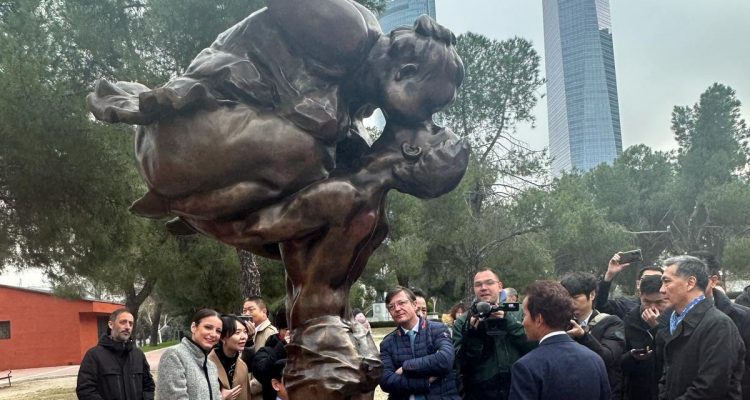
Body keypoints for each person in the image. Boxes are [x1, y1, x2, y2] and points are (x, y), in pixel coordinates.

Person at [86, 0, 465, 229]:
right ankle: (189, 208)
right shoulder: (349, 31)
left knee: (341, 186)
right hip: (178, 140)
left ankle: (202, 213)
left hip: (210, 151)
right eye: (429, 106)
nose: (425, 121)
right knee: (306, 155)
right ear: (405, 74)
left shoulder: (357, 99)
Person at [185, 114, 469, 398]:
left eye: (432, 129)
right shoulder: (377, 216)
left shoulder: (344, 194)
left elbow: (254, 229)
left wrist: (186, 208)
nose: (425, 118)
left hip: (318, 333)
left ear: (412, 150)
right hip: (336, 330)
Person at [658, 255, 744, 400]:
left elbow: (710, 387)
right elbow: (667, 376)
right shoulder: (672, 322)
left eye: (667, 281)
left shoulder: (718, 325)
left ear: (690, 283)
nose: (661, 290)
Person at [509, 281, 610, 400]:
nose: (523, 322)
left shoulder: (527, 367)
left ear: (539, 319)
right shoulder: (595, 359)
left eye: (524, 315)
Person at [453, 269, 534, 400]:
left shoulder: (519, 312)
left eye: (489, 283)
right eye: (478, 285)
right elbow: (460, 364)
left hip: (518, 388)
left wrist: (508, 320)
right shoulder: (463, 322)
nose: (483, 288)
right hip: (481, 392)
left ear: (500, 286)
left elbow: (533, 346)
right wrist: (474, 334)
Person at [688, 251, 750, 399]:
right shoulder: (671, 316)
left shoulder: (743, 318)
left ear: (713, 280)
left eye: (693, 280)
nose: (688, 286)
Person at [379, 286, 459, 399]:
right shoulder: (387, 343)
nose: (397, 309)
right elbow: (386, 381)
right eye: (391, 307)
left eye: (401, 303)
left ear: (414, 305)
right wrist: (425, 382)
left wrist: (405, 367)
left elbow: (445, 360)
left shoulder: (438, 329)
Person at [560, 271, 625, 400]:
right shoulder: (560, 323)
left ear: (592, 295)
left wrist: (583, 336)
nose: (570, 303)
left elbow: (608, 357)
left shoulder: (611, 322)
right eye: (566, 298)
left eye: (575, 297)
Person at [76, 308, 155, 400]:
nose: (127, 327)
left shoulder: (138, 355)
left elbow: (148, 385)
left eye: (131, 323)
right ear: (111, 324)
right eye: (123, 322)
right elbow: (85, 390)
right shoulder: (94, 356)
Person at [157, 309, 223, 400]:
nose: (213, 334)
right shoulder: (174, 355)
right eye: (208, 327)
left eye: (218, 331)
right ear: (193, 327)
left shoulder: (211, 366)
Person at [620, 274, 668, 400]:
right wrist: (632, 356)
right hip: (637, 390)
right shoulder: (630, 320)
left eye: (659, 302)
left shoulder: (675, 318)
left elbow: (674, 354)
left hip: (665, 389)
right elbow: (618, 361)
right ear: (640, 296)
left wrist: (656, 327)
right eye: (647, 302)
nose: (652, 308)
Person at [596, 252, 664, 319]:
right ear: (638, 284)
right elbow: (601, 306)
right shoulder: (626, 306)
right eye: (646, 278)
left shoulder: (671, 310)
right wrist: (609, 276)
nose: (652, 282)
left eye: (658, 279)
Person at [209, 315, 252, 400]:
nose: (244, 337)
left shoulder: (242, 366)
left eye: (245, 332)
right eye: (237, 332)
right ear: (222, 338)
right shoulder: (207, 364)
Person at [253, 306, 289, 400]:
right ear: (279, 329)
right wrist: (283, 345)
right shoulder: (268, 349)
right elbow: (261, 372)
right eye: (287, 329)